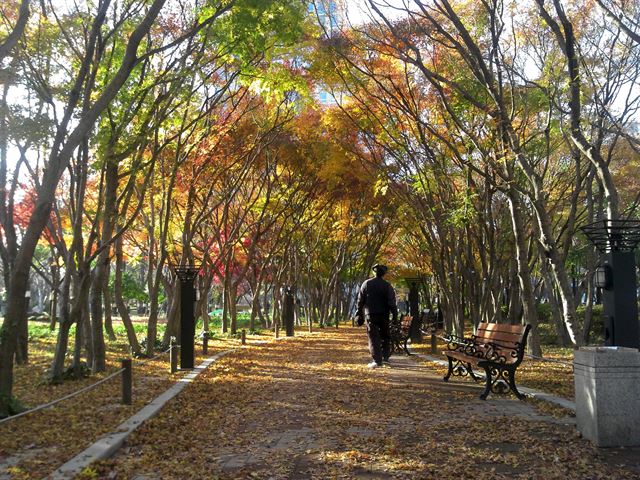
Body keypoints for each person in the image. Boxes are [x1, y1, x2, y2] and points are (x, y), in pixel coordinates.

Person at [356, 263, 398, 368]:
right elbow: (392, 302)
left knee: (373, 337)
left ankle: (377, 360)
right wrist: (395, 316)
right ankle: (385, 358)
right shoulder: (387, 286)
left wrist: (359, 313)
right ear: (384, 274)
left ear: (374, 272)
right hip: (384, 315)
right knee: (385, 336)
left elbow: (360, 301)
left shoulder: (366, 284)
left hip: (371, 315)